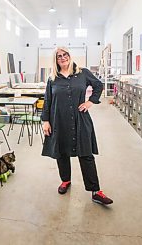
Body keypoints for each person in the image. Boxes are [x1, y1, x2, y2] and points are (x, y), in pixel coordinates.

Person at [41, 46, 113, 205]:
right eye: (59, 56)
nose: (62, 57)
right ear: (56, 59)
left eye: (65, 54)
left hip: (80, 119)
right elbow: (47, 100)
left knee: (86, 153)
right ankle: (65, 180)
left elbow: (98, 86)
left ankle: (96, 191)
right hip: (58, 120)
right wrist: (45, 121)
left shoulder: (83, 72)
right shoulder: (53, 78)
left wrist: (90, 102)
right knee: (61, 153)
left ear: (69, 55)